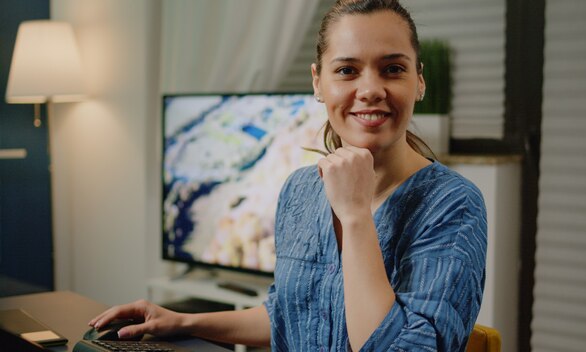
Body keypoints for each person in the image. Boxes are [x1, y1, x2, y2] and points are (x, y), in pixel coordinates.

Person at [89, 0, 487, 351]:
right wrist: (183, 322)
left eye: (392, 68)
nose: (370, 89)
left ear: (418, 80)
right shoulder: (300, 190)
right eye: (347, 70)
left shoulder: (453, 205)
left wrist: (354, 215)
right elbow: (289, 316)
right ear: (318, 81)